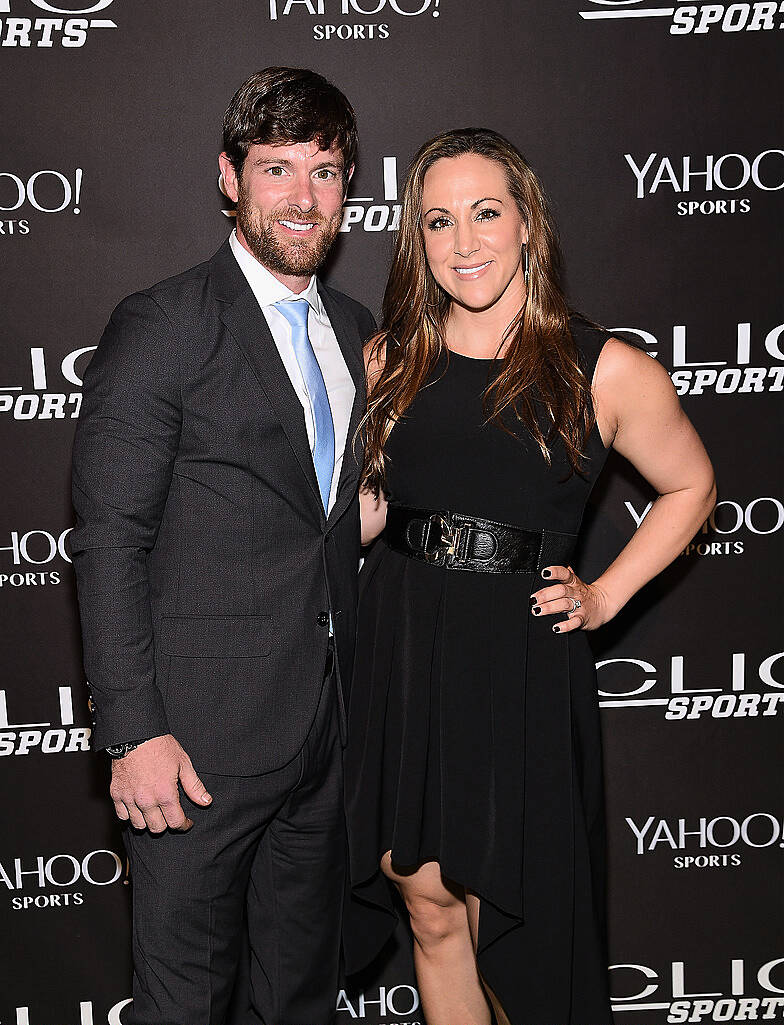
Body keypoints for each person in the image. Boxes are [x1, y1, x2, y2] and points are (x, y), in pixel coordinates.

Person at [343, 128, 716, 1025]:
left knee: (507, 920)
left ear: (526, 225)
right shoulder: (391, 359)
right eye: (438, 221)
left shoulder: (606, 367)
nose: (464, 243)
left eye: (485, 214)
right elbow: (365, 513)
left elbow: (692, 484)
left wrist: (605, 594)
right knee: (424, 900)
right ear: (416, 240)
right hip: (402, 648)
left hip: (516, 663)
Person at [70, 67, 375, 1025]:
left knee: (298, 999)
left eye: (324, 172)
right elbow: (110, 538)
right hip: (195, 746)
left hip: (325, 736)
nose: (302, 195)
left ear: (348, 188)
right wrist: (132, 732)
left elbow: (324, 517)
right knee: (186, 1003)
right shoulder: (161, 326)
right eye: (277, 168)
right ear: (228, 176)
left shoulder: (358, 330)